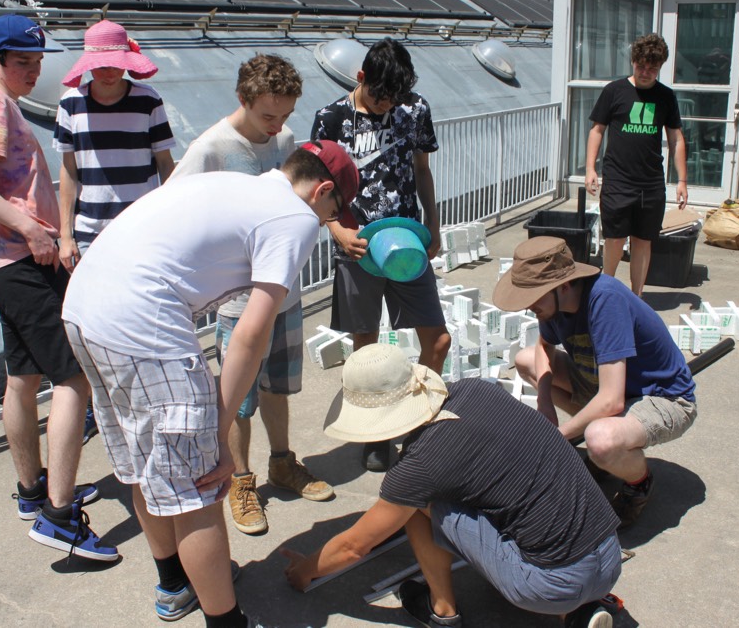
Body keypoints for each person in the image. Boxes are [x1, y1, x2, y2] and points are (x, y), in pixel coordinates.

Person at [62, 141, 358, 626]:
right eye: (336, 209)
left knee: (148, 463)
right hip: (142, 320)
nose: (333, 220)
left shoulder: (239, 186)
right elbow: (250, 333)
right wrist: (217, 430)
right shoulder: (297, 217)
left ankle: (176, 585)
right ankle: (226, 620)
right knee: (200, 487)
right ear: (323, 189)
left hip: (84, 309)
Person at [281, 344, 621, 628]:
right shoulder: (478, 390)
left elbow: (353, 547)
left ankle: (441, 611)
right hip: (608, 553)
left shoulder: (417, 468)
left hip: (550, 585)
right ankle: (576, 610)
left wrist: (306, 571)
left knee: (413, 506)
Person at [0, 14, 113, 561]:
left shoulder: (4, 106)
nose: (32, 71)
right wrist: (26, 227)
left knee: (21, 379)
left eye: (38, 62)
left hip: (11, 263)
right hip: (22, 261)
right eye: (22, 62)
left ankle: (32, 491)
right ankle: (59, 518)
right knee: (74, 379)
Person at [169, 54, 331, 537]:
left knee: (278, 386)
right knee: (238, 397)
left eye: (285, 116)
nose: (278, 126)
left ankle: (282, 463)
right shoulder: (210, 150)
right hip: (239, 302)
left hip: (285, 290)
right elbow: (175, 210)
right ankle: (242, 481)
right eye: (268, 115)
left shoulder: (283, 141)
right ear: (243, 100)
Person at [311, 37, 451, 473]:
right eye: (379, 95)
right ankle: (375, 432)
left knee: (438, 341)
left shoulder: (415, 109)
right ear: (360, 78)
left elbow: (422, 170)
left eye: (396, 96)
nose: (388, 103)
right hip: (358, 247)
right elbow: (315, 189)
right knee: (365, 346)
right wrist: (336, 230)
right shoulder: (330, 118)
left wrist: (434, 223)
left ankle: (416, 424)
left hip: (408, 243)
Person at [495, 236, 697, 529]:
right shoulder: (552, 304)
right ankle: (604, 445)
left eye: (533, 299)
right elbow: (543, 348)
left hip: (663, 398)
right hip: (608, 385)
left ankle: (638, 482)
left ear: (563, 286)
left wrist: (557, 438)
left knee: (600, 441)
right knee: (526, 361)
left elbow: (611, 400)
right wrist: (544, 403)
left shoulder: (605, 300)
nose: (529, 308)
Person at [54, 20, 176, 444]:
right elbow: (69, 173)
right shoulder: (71, 104)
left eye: (115, 63)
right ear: (88, 64)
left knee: (140, 311)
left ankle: (145, 397)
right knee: (95, 319)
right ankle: (103, 404)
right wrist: (65, 235)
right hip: (91, 230)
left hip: (140, 228)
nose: (108, 72)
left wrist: (171, 217)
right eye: (100, 64)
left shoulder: (147, 100)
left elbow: (165, 165)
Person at [584, 32, 688, 297]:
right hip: (618, 179)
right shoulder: (614, 91)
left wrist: (682, 181)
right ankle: (604, 292)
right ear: (633, 61)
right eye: (641, 66)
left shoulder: (666, 96)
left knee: (643, 241)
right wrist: (590, 169)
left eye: (652, 68)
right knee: (615, 238)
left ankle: (637, 297)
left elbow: (675, 138)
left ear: (660, 67)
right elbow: (598, 130)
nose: (645, 72)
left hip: (651, 182)